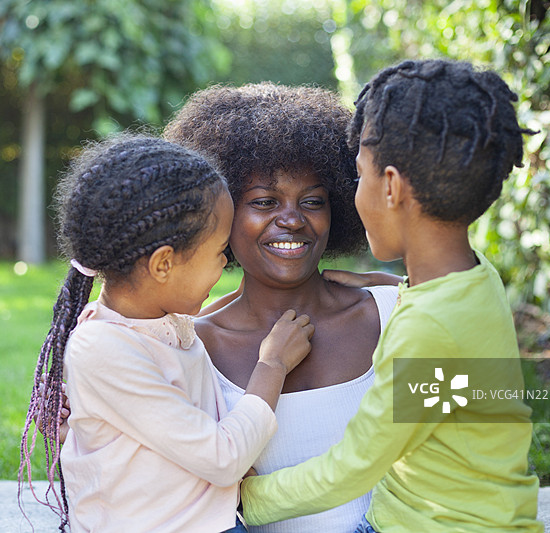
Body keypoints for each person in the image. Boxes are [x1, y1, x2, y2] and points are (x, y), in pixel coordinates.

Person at [239, 60, 542, 532]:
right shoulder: (477, 280)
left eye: (359, 176)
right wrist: (397, 289)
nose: (353, 193)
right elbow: (453, 375)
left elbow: (354, 465)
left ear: (392, 187)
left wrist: (250, 500)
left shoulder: (426, 328)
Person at [18, 134, 316, 533]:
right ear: (163, 265)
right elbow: (224, 459)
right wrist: (272, 365)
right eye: (219, 251)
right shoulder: (103, 346)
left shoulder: (164, 325)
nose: (225, 263)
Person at [164, 83, 400, 532]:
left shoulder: (391, 314)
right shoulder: (192, 343)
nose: (292, 219)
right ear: (222, 213)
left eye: (312, 201)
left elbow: (460, 433)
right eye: (265, 202)